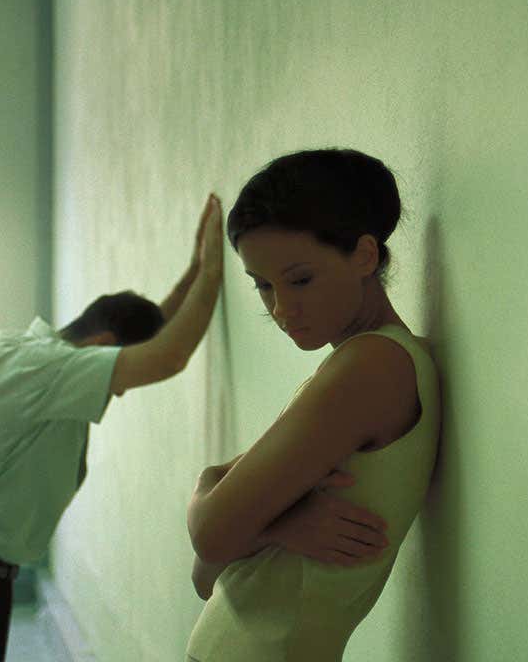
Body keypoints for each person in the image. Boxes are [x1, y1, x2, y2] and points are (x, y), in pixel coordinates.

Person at [0, 194, 227, 662]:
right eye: (117, 375)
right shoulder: (45, 368)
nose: (117, 391)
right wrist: (213, 273)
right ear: (100, 344)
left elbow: (154, 333)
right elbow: (167, 357)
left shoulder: (28, 359)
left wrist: (191, 268)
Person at [185, 149, 441, 662]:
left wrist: (242, 523)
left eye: (300, 279)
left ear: (365, 256)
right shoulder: (355, 365)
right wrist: (279, 523)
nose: (281, 308)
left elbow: (210, 536)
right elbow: (206, 570)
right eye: (263, 285)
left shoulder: (372, 367)